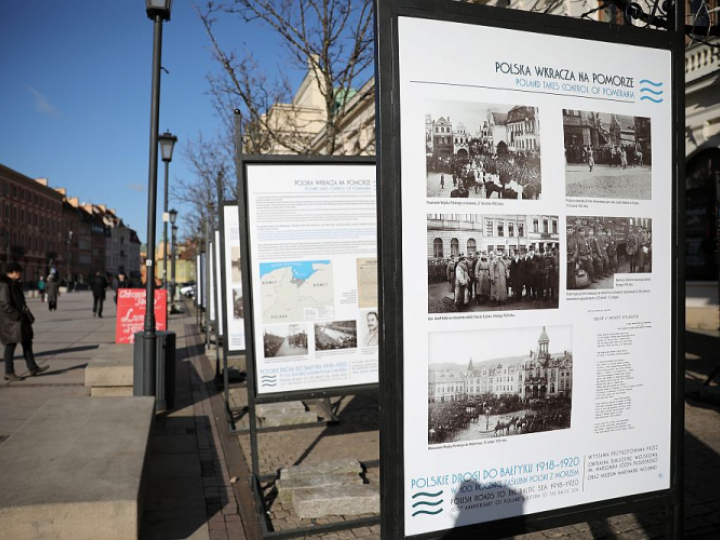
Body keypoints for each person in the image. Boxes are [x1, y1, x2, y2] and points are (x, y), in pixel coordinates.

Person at [0, 263, 49, 381]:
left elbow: (22, 303)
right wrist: (17, 316)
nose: (20, 274)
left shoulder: (15, 285)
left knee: (27, 342)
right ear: (12, 272)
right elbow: (4, 304)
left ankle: (33, 367)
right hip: (11, 322)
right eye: (18, 272)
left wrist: (27, 313)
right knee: (10, 345)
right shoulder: (5, 285)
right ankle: (9, 371)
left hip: (21, 319)